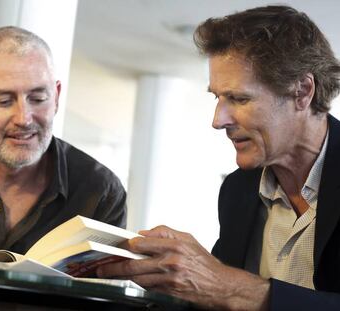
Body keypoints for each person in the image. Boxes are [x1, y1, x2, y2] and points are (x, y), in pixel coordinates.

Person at [97, 5, 340, 310]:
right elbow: (217, 294)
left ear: (302, 91)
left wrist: (237, 290)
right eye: (217, 97)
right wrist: (175, 276)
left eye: (239, 98)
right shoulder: (237, 190)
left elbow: (227, 288)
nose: (218, 119)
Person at [0, 26, 126, 265]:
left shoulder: (101, 192)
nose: (24, 118)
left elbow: (105, 295)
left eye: (38, 99)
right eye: (4, 101)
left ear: (56, 97)